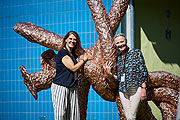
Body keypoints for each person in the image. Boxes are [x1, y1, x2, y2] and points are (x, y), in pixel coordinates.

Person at [103, 33, 148, 120]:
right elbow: (119, 77)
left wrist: (143, 89)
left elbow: (143, 71)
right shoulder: (119, 58)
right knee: (128, 116)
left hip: (135, 89)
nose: (120, 44)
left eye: (122, 41)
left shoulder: (136, 53)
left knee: (132, 116)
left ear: (126, 41)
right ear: (115, 45)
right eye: (118, 43)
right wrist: (109, 73)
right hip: (122, 91)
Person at [51, 31, 92, 120]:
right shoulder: (62, 52)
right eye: (70, 39)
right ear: (65, 40)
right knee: (61, 115)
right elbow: (73, 68)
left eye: (75, 39)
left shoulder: (73, 54)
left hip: (72, 87)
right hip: (61, 87)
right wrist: (84, 59)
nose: (72, 41)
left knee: (73, 116)